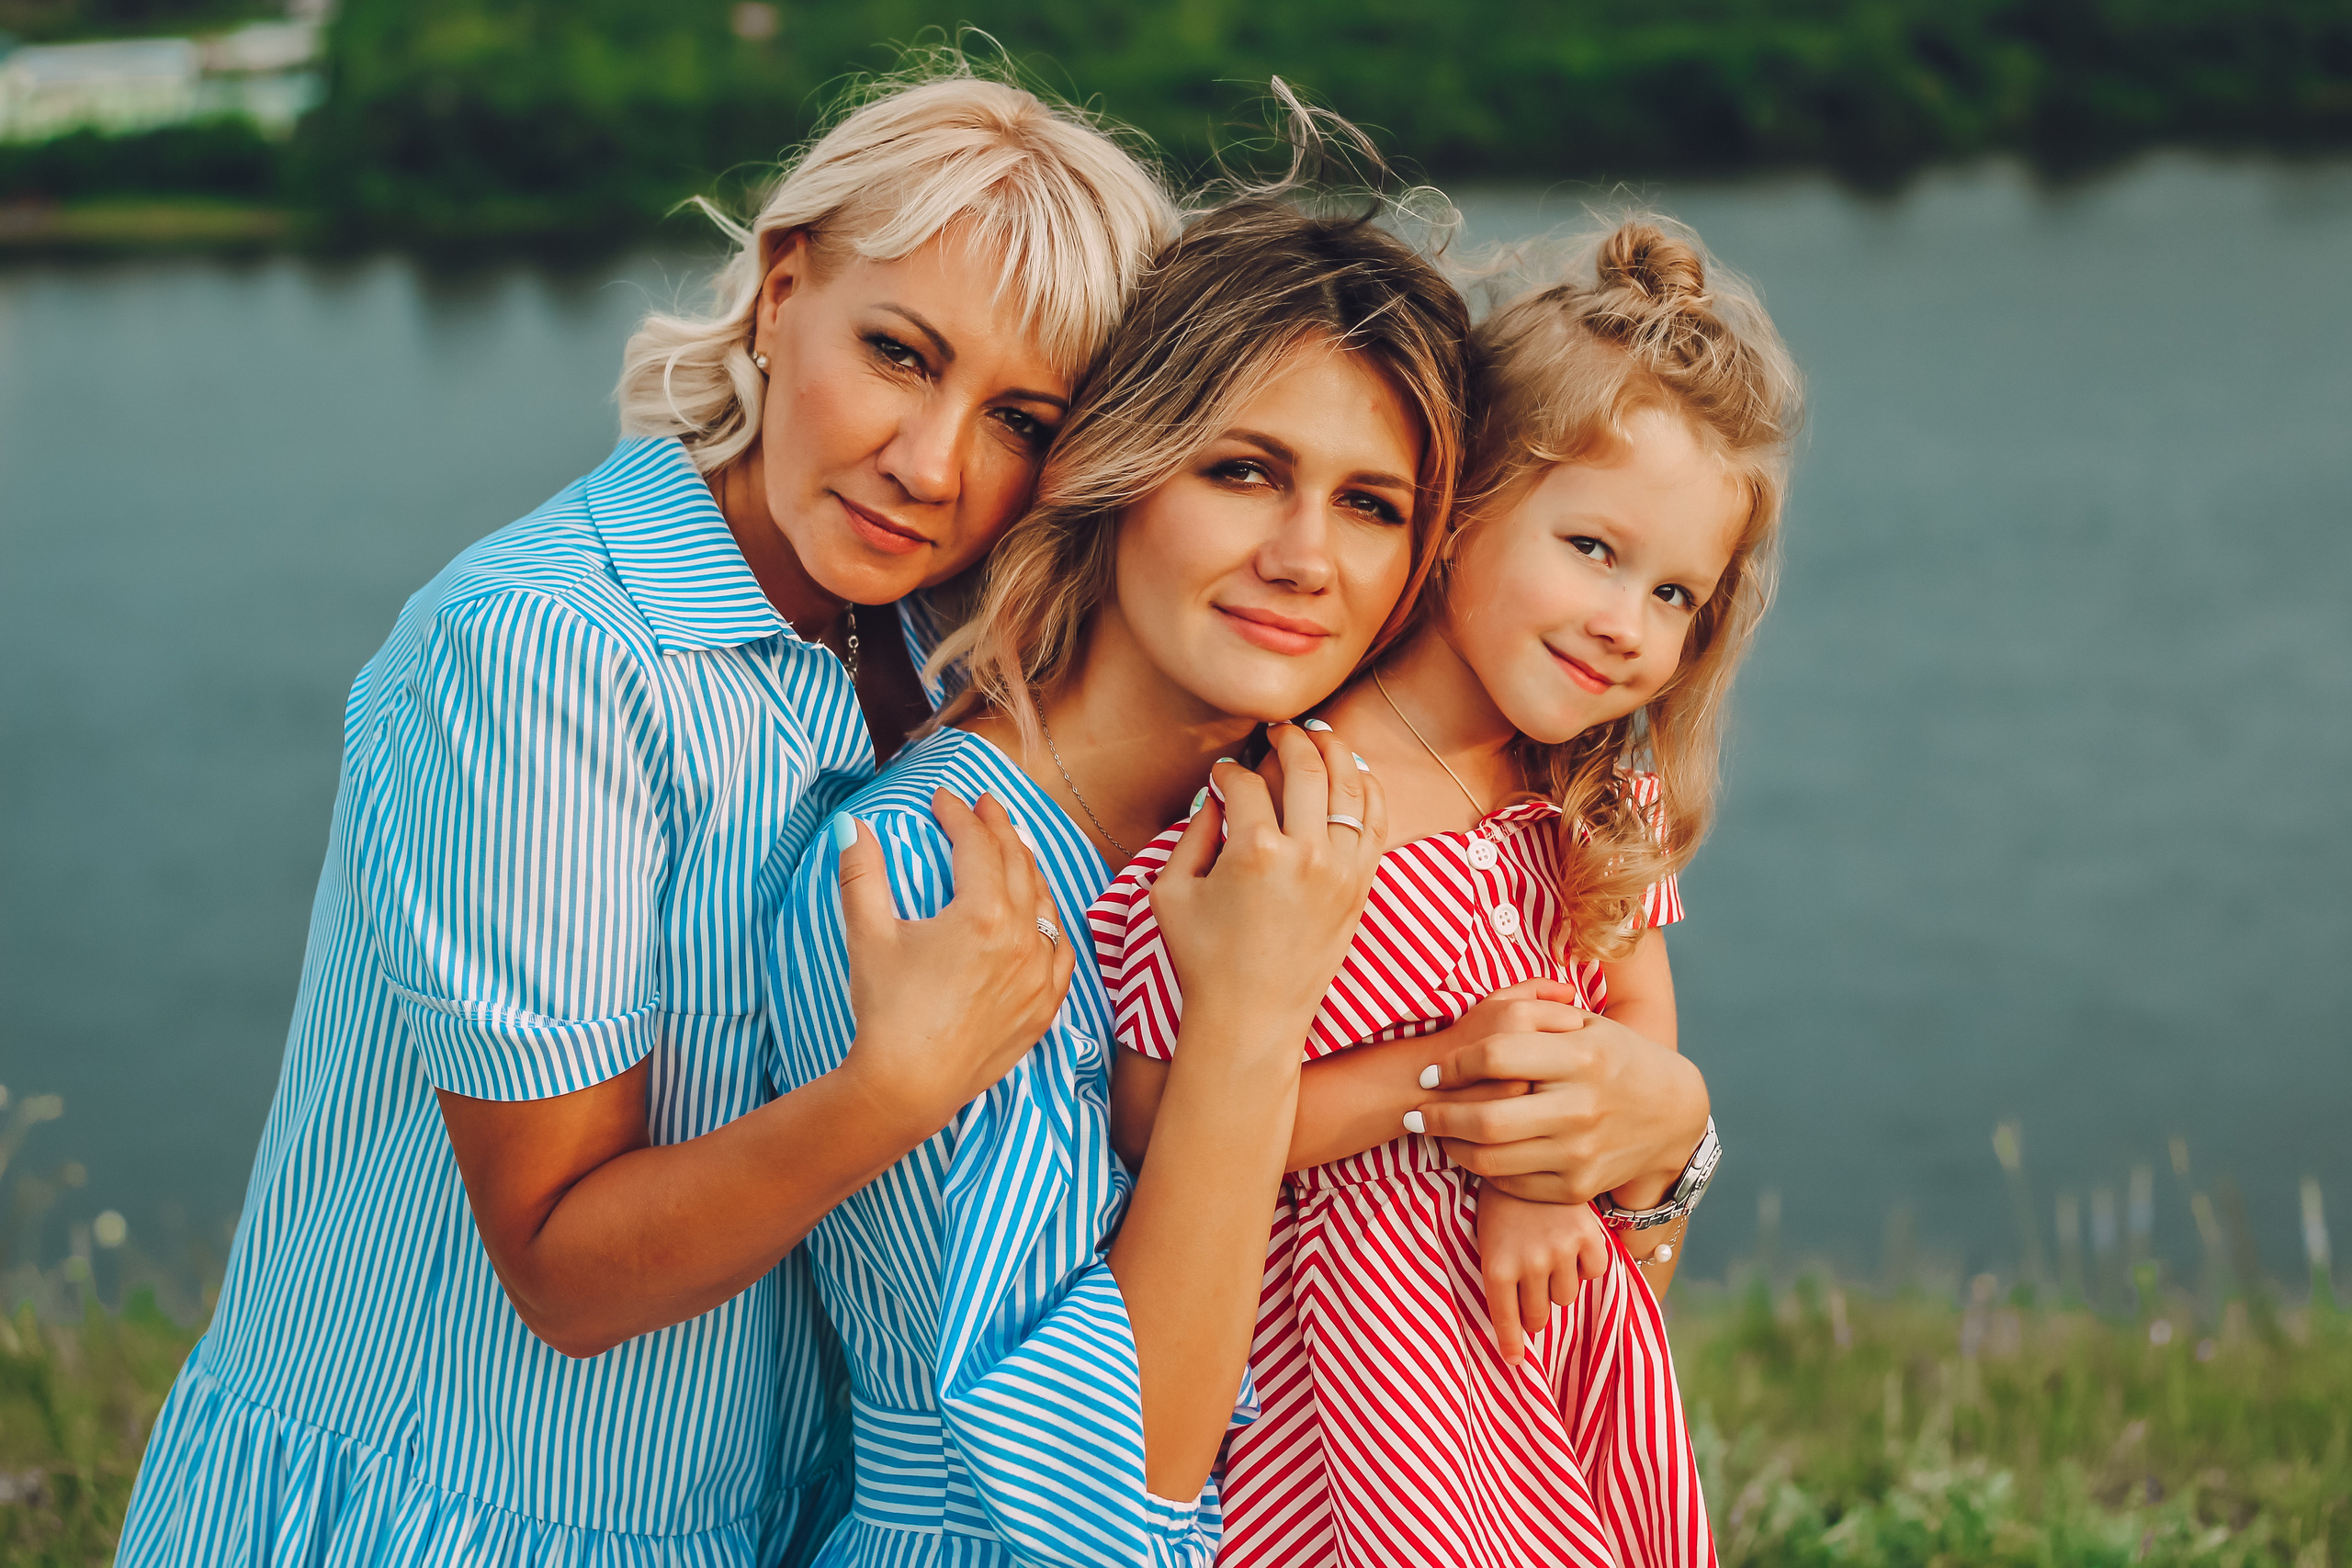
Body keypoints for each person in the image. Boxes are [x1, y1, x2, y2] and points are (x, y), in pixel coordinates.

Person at [119, 64, 1174, 1568]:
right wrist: (901, 1084)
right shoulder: (548, 655)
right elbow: (564, 1271)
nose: (932, 464)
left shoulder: (941, 648)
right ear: (779, 289)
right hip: (449, 1523)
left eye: (1019, 416)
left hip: (765, 1521)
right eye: (897, 353)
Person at [1093, 215, 1801, 1567]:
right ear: (1462, 500)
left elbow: (1631, 1055)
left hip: (1547, 1364)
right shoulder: (1295, 791)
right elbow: (1152, 1119)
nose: (1624, 623)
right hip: (1359, 1392)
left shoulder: (1598, 802)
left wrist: (1563, 1165)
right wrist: (1460, 1100)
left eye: (1674, 595)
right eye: (1590, 549)